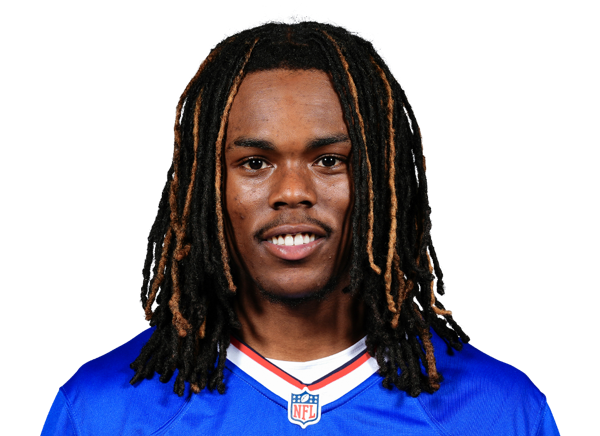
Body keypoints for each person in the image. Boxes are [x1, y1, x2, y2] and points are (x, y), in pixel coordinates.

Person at [41, 16, 560, 435]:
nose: (292, 191)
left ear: (384, 182)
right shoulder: (101, 412)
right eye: (255, 163)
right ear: (205, 187)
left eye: (329, 161)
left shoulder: (500, 412)